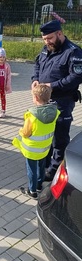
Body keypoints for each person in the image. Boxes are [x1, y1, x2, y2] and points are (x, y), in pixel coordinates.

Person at [31, 19, 82, 181]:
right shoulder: (47, 48)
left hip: (63, 101)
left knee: (60, 137)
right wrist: (35, 78)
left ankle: (55, 169)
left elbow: (76, 77)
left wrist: (52, 85)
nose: (47, 42)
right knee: (46, 133)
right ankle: (47, 161)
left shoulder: (73, 52)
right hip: (45, 101)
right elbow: (37, 64)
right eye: (44, 39)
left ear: (60, 33)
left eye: (50, 38)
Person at [12, 84, 60, 199]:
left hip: (32, 150)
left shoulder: (32, 116)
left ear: (36, 98)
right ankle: (39, 185)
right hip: (45, 148)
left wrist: (20, 131)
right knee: (41, 167)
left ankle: (32, 191)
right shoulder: (55, 112)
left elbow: (26, 132)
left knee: (31, 169)